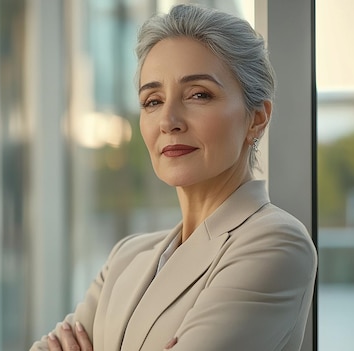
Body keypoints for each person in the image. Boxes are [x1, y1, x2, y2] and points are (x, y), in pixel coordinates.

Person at [29, 4, 317, 351]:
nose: (169, 120)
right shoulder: (126, 258)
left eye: (198, 95)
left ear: (256, 117)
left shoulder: (277, 244)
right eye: (152, 100)